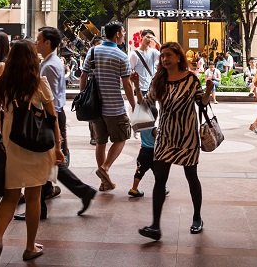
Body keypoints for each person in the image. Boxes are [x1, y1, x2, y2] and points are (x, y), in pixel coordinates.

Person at [0, 41, 64, 266]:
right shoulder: (39, 82)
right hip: (37, 148)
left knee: (10, 196)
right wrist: (58, 147)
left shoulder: (1, 83)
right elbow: (52, 117)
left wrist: (5, 117)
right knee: (33, 197)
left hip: (11, 147)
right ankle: (30, 247)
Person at [137, 42, 214, 241]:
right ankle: (155, 225)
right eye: (162, 56)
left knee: (191, 177)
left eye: (168, 55)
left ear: (178, 57)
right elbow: (146, 102)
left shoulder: (191, 79)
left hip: (187, 137)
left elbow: (201, 103)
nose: (164, 59)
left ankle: (197, 217)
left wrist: (208, 90)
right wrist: (135, 86)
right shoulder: (159, 79)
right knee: (160, 180)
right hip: (165, 137)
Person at [32, 27, 96, 216]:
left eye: (39, 39)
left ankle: (43, 206)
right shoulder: (51, 62)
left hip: (50, 116)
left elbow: (48, 99)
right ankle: (80, 192)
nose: (36, 42)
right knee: (48, 161)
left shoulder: (49, 66)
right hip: (53, 115)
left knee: (47, 159)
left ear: (48, 43)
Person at [80, 21, 137, 192]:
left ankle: (105, 183)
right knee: (122, 137)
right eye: (124, 32)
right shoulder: (121, 56)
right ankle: (105, 168)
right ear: (118, 33)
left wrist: (84, 96)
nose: (124, 35)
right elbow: (127, 85)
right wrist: (134, 104)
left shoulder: (93, 51)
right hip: (114, 107)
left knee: (101, 142)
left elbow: (83, 76)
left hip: (95, 107)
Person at [128, 30, 160, 100]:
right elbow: (129, 72)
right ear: (142, 37)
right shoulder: (134, 54)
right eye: (147, 37)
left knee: (152, 110)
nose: (149, 40)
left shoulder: (153, 52)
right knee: (142, 109)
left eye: (151, 38)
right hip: (140, 89)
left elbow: (163, 55)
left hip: (152, 87)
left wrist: (157, 43)